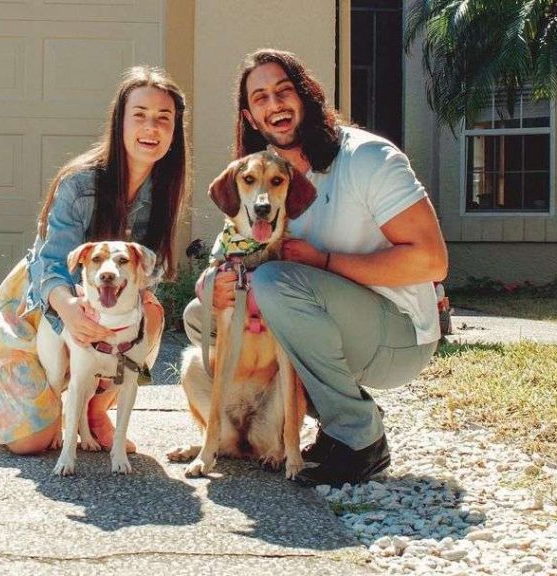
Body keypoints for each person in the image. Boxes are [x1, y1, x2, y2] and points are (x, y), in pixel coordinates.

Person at [183, 49, 447, 487]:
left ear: (308, 97)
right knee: (202, 313)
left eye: (284, 91)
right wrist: (212, 281)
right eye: (261, 97)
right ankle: (338, 410)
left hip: (398, 333)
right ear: (250, 117)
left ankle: (362, 441)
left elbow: (432, 261)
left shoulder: (368, 158)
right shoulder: (269, 175)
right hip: (333, 322)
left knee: (274, 283)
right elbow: (231, 251)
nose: (275, 105)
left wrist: (324, 262)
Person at [0, 66, 188, 455]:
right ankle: (4, 382)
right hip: (42, 303)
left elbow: (147, 273)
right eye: (139, 115)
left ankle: (95, 405)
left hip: (105, 305)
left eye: (163, 118)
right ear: (119, 122)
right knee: (31, 442)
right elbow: (51, 262)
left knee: (151, 312)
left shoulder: (165, 190)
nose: (151, 127)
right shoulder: (79, 183)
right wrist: (70, 310)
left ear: (175, 131)